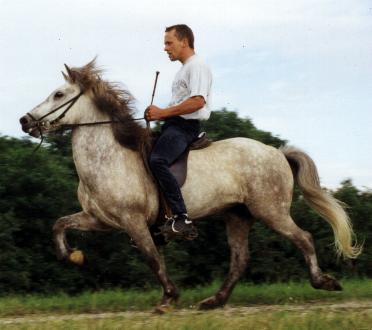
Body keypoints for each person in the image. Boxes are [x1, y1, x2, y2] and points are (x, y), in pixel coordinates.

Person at [145, 24, 213, 240]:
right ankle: (159, 220)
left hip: (184, 128)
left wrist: (162, 113)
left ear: (184, 42)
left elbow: (197, 102)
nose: (165, 48)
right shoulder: (183, 70)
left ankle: (181, 216)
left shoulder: (197, 66)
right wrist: (157, 115)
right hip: (172, 125)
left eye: (169, 42)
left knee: (157, 160)